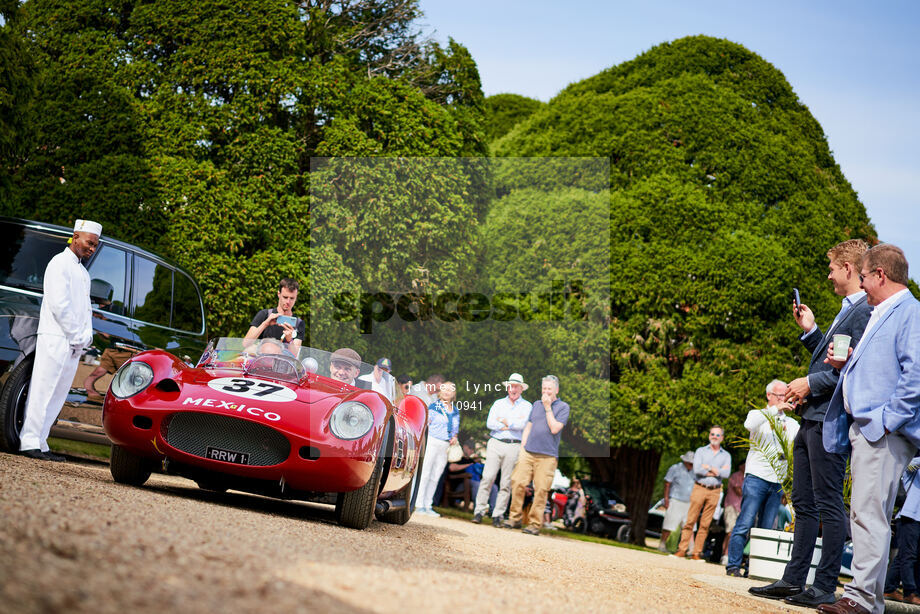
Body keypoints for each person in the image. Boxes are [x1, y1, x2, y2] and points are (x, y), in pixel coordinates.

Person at [751, 239, 873, 607]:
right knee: (804, 503)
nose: (829, 274)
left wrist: (809, 383)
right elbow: (832, 359)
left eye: (834, 268)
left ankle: (823, 586)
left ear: (849, 269)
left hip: (830, 421)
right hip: (812, 417)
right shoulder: (847, 310)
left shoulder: (864, 310)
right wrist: (811, 331)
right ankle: (793, 580)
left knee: (829, 504)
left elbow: (852, 370)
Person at [816, 244, 920, 614]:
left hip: (883, 431)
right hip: (868, 427)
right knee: (865, 513)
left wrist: (886, 422)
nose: (859, 283)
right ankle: (868, 599)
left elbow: (916, 375)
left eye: (863, 276)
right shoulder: (883, 311)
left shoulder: (908, 312)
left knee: (869, 513)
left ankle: (860, 600)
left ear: (880, 275)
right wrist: (845, 366)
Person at [19, 220, 101, 461]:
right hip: (56, 338)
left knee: (58, 394)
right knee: (42, 390)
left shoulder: (83, 272)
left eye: (95, 245)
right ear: (75, 236)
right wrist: (77, 336)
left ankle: (41, 441)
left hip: (73, 344)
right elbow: (59, 305)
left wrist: (85, 337)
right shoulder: (59, 263)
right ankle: (28, 440)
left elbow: (85, 310)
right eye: (89, 243)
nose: (92, 249)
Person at [725, 380, 800, 577]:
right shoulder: (758, 415)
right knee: (745, 522)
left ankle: (754, 568)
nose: (784, 399)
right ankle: (733, 565)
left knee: (766, 528)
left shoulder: (792, 424)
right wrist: (775, 409)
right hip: (757, 476)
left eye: (786, 396)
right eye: (780, 395)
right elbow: (749, 424)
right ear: (769, 396)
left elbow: (795, 449)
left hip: (777, 482)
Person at [505, 375, 570, 535]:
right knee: (517, 483)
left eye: (549, 389)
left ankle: (534, 524)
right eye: (544, 389)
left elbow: (555, 428)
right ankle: (514, 518)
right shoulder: (536, 404)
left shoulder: (563, 407)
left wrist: (548, 408)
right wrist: (523, 447)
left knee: (541, 489)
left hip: (547, 456)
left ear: (556, 390)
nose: (546, 392)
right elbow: (529, 426)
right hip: (528, 452)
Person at [471, 373, 532, 527]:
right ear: (507, 388)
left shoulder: (527, 406)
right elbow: (490, 423)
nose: (513, 389)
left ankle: (498, 515)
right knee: (487, 477)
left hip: (514, 445)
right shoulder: (498, 403)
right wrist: (510, 424)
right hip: (496, 443)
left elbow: (523, 425)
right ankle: (479, 511)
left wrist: (505, 422)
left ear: (521, 389)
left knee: (506, 482)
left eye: (516, 386)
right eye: (511, 386)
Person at [675, 426, 731, 559]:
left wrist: (708, 467)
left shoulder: (726, 455)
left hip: (715, 490)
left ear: (722, 438)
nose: (714, 437)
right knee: (690, 520)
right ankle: (682, 550)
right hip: (699, 487)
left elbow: (726, 473)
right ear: (709, 435)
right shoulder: (700, 451)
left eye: (717, 435)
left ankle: (696, 552)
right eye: (712, 434)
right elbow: (697, 469)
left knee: (705, 524)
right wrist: (716, 470)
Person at [415, 381, 459, 517]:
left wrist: (454, 437)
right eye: (444, 389)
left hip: (445, 445)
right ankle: (419, 504)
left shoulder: (455, 410)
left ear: (453, 393)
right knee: (425, 472)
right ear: (440, 391)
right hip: (433, 442)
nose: (447, 392)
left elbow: (455, 430)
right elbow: (426, 425)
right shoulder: (434, 406)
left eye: (450, 390)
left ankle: (428, 505)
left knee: (436, 475)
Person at [883, 457, 920, 605]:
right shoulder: (914, 466)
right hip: (909, 515)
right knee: (909, 556)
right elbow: (907, 464)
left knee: (906, 555)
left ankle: (889, 587)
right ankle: (910, 592)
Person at [244, 278, 305, 354]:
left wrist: (290, 340)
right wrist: (265, 324)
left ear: (296, 298)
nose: (288, 302)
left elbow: (294, 355)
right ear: (279, 294)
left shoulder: (299, 323)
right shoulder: (264, 314)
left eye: (292, 298)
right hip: (261, 362)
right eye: (285, 297)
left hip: (282, 364)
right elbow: (245, 344)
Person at [659, 451, 696, 552]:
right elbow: (667, 483)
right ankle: (662, 544)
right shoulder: (675, 468)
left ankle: (691, 549)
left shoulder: (696, 471)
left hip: (689, 502)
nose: (691, 465)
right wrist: (666, 499)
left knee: (689, 526)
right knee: (669, 524)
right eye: (689, 462)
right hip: (675, 499)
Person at [721, 461, 745, 562]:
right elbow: (739, 491)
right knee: (730, 532)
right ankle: (725, 555)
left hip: (742, 508)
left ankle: (730, 556)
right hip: (732, 506)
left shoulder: (748, 478)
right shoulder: (736, 475)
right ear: (740, 465)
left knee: (736, 533)